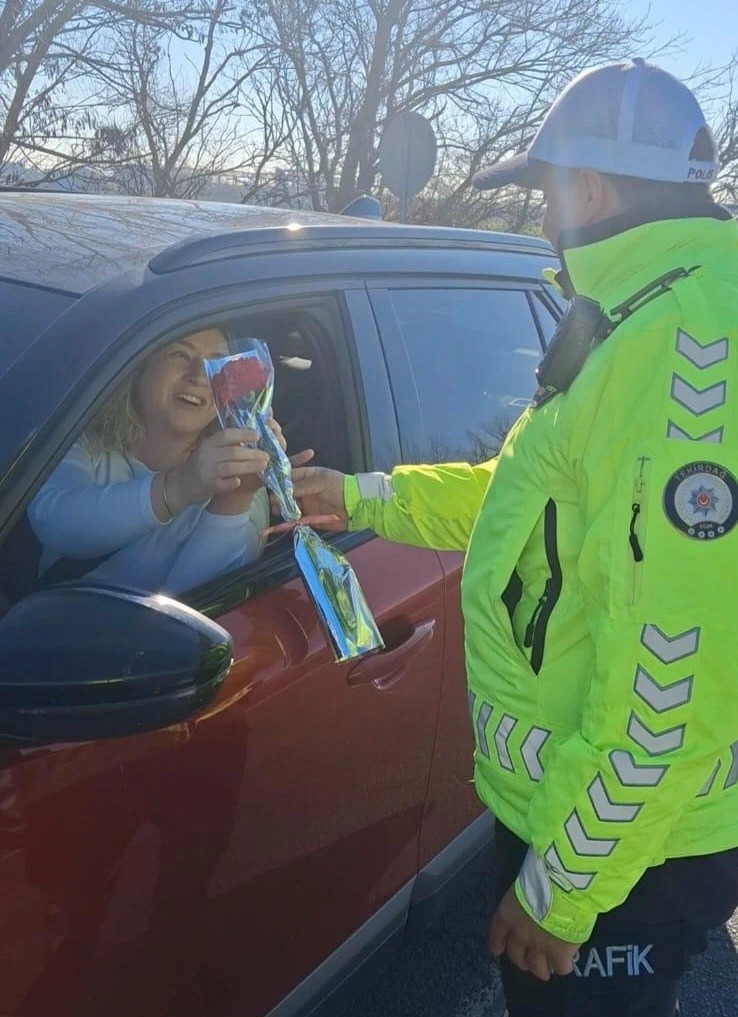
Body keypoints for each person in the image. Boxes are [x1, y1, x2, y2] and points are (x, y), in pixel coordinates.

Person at [288, 59, 738, 1016]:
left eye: (545, 193)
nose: (544, 222)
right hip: (601, 821)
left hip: (626, 847)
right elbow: (527, 500)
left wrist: (563, 891)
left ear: (591, 188)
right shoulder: (646, 312)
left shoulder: (680, 354)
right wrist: (363, 494)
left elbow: (675, 674)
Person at [28, 328, 302, 595]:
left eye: (213, 364)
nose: (198, 375)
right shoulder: (85, 445)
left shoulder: (240, 479)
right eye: (180, 354)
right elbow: (55, 526)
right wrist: (180, 487)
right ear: (139, 370)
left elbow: (204, 609)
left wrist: (235, 498)